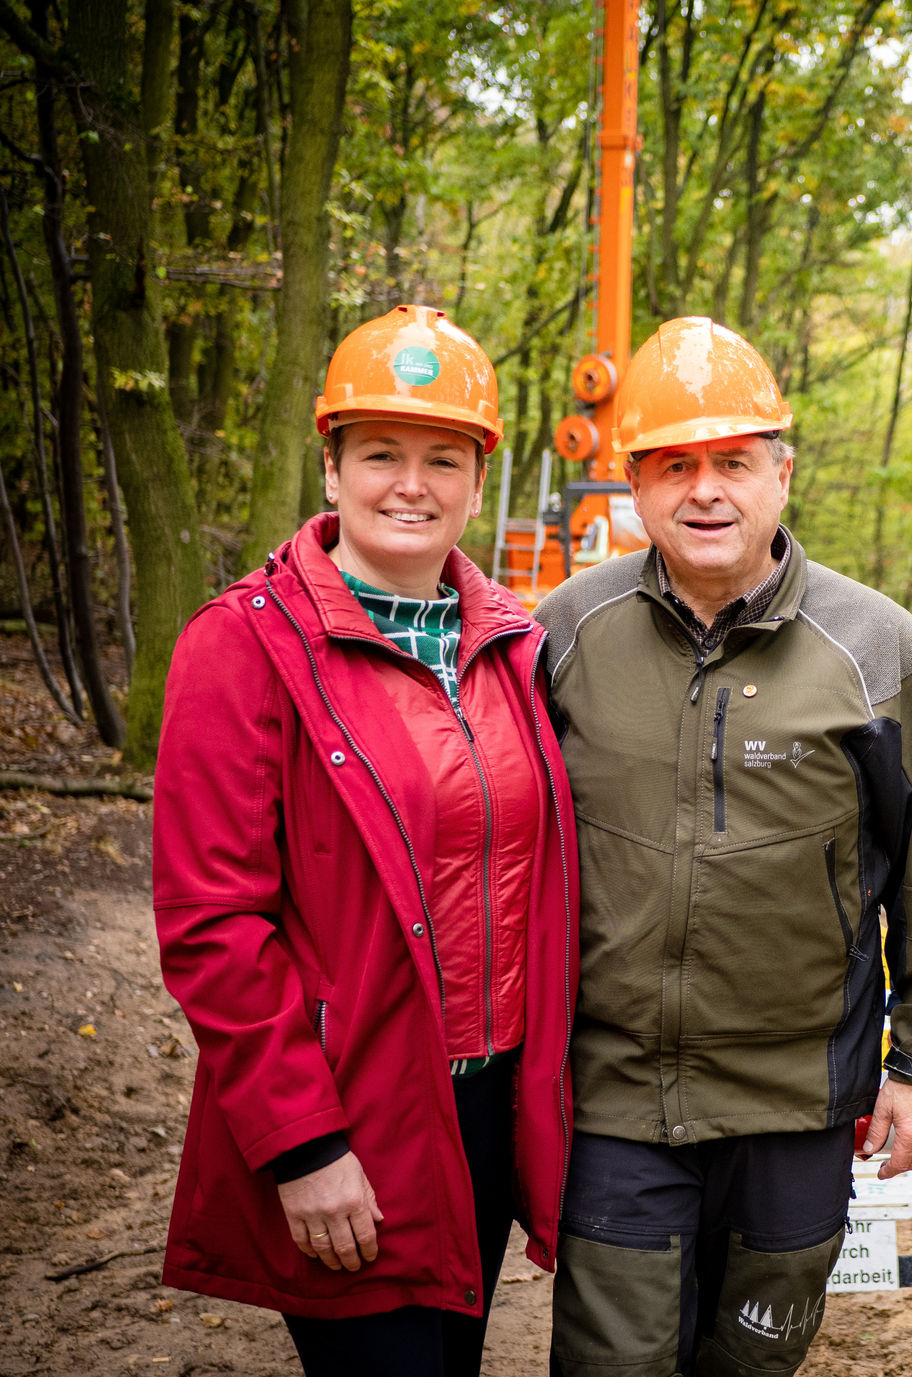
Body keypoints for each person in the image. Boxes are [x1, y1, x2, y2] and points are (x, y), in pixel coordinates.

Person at [533, 316, 912, 1377]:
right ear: (633, 483)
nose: (706, 490)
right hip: (617, 1101)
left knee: (750, 1363)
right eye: (675, 464)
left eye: (733, 461)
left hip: (798, 1101)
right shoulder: (562, 634)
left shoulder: (876, 645)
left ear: (782, 472)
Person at [153, 304, 578, 1377]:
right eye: (381, 452)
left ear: (478, 480)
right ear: (332, 465)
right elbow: (212, 924)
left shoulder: (512, 647)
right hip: (355, 1113)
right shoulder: (243, 647)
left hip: (487, 1110)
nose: (411, 484)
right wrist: (304, 1145)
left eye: (443, 457)